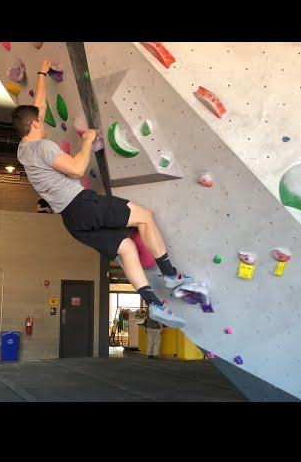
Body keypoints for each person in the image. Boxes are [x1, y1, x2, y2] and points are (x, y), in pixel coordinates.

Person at [13, 60, 192, 328]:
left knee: (127, 249)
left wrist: (41, 72)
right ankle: (170, 275)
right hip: (84, 205)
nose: (43, 115)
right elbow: (75, 169)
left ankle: (155, 304)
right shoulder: (44, 148)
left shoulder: (23, 149)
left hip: (72, 221)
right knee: (145, 218)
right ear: (36, 124)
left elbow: (39, 105)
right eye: (40, 117)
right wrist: (86, 142)